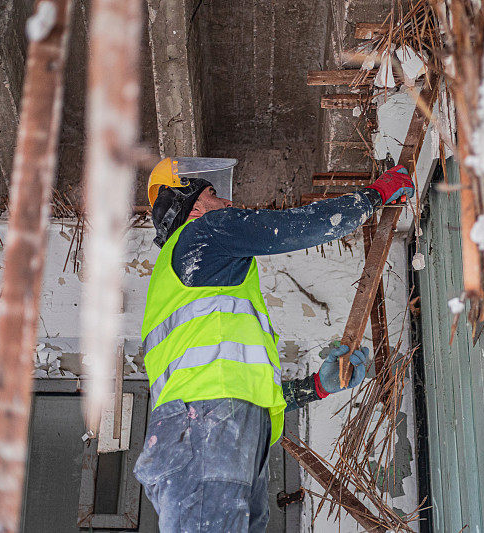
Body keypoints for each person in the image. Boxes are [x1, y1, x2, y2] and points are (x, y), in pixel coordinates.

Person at [133, 157, 414, 532]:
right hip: (203, 431)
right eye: (215, 195)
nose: (229, 204)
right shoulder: (204, 233)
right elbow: (298, 226)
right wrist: (375, 195)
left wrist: (315, 387)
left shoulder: (195, 279)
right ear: (195, 209)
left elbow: (236, 388)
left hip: (204, 432)